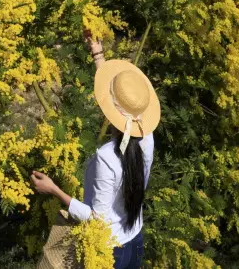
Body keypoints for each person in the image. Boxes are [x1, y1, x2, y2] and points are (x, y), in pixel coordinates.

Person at [30, 31, 159, 269]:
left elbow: (96, 219)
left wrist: (55, 190)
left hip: (109, 253)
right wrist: (97, 53)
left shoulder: (107, 158)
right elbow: (113, 102)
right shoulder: (146, 137)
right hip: (135, 242)